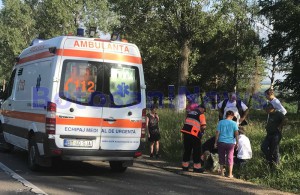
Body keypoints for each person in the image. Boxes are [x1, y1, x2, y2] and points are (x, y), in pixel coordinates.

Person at [181, 104, 207, 173]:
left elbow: (186, 122)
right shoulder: (201, 114)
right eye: (204, 111)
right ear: (202, 109)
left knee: (187, 150)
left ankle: (185, 166)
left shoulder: (190, 113)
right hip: (194, 134)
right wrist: (201, 132)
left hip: (186, 132)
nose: (204, 112)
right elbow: (203, 126)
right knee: (197, 151)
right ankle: (197, 168)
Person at [214, 110, 239, 178]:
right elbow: (236, 134)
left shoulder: (221, 122)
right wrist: (237, 142)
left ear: (226, 115)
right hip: (230, 143)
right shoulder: (234, 123)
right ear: (232, 116)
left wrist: (215, 142)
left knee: (221, 157)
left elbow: (217, 133)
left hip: (221, 142)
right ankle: (230, 174)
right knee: (230, 158)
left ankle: (222, 173)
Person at [261, 103, 285, 168]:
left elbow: (285, 119)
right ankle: (270, 160)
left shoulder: (278, 114)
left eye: (267, 109)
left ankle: (276, 166)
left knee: (275, 150)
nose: (266, 111)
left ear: (271, 108)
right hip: (269, 134)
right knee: (263, 147)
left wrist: (279, 126)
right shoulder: (270, 114)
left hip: (275, 135)